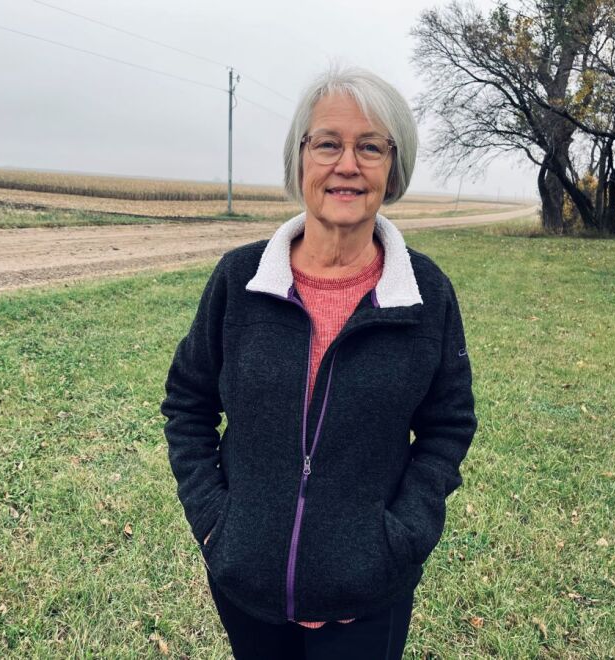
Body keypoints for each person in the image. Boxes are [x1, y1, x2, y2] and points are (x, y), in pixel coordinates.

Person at [161, 66, 477, 659]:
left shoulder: (426, 295)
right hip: (246, 583)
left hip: (369, 594)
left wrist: (400, 538)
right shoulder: (239, 280)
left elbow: (449, 426)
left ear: (394, 165)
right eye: (328, 142)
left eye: (370, 147)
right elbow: (187, 404)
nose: (347, 164)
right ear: (299, 158)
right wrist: (216, 525)